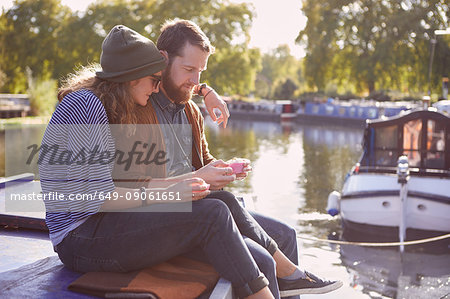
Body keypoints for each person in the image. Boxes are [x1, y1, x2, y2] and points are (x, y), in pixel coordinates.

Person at [38, 24, 282, 298]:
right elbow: (97, 198)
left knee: (220, 203)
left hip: (104, 223)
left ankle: (283, 276)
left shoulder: (110, 102)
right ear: (132, 78)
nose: (156, 89)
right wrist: (169, 191)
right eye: (154, 79)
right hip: (79, 238)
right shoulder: (87, 105)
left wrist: (204, 91)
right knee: (213, 216)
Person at [129, 19, 343, 298]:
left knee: (286, 234)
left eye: (201, 72)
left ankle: (292, 279)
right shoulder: (140, 105)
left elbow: (204, 163)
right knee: (261, 258)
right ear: (163, 59)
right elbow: (139, 186)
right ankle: (290, 275)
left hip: (199, 205)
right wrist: (206, 91)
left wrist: (223, 170)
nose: (194, 81)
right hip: (169, 214)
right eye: (189, 70)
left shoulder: (191, 112)